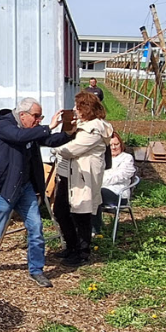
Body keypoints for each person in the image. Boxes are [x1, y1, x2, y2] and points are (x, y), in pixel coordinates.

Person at [0, 97, 67, 288]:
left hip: (25, 187)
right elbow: (19, 137)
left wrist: (70, 132)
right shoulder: (5, 124)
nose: (38, 120)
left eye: (40, 117)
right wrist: (47, 127)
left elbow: (49, 140)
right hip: (4, 188)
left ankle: (36, 270)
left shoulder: (30, 130)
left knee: (36, 228)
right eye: (36, 116)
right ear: (23, 114)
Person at [50, 92, 113, 266]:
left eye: (78, 107)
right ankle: (71, 247)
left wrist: (54, 145)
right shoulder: (82, 125)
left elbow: (73, 149)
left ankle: (82, 252)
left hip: (83, 177)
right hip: (67, 175)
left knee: (81, 215)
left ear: (87, 109)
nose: (75, 110)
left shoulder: (94, 128)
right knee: (61, 211)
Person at [94, 133, 137, 234]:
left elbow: (119, 176)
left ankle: (95, 229)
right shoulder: (101, 158)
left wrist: (98, 181)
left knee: (94, 193)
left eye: (116, 144)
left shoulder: (127, 158)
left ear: (121, 144)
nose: (113, 147)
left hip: (118, 195)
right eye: (111, 145)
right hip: (99, 190)